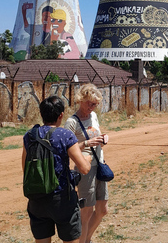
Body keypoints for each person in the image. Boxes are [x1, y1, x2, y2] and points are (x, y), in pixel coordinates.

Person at [22, 96, 92, 243]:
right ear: (61, 115)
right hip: (62, 199)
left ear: (41, 114)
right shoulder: (65, 135)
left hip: (37, 199)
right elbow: (84, 169)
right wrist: (88, 159)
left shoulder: (30, 136)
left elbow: (25, 168)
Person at [65, 84, 109, 243]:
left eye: (95, 104)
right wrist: (86, 144)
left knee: (102, 209)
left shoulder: (94, 117)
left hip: (100, 165)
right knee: (86, 212)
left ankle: (86, 239)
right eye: (90, 103)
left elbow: (96, 134)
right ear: (81, 100)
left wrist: (102, 139)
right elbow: (67, 149)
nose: (93, 107)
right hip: (85, 168)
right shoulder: (72, 122)